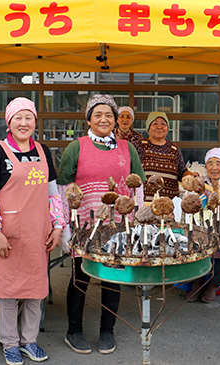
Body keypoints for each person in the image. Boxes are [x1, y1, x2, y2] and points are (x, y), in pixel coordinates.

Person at [57, 94, 146, 355]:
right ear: (88, 119)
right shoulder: (77, 146)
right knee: (80, 278)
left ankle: (108, 331)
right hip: (84, 226)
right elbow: (62, 186)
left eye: (109, 115)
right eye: (98, 115)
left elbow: (137, 185)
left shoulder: (126, 148)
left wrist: (138, 221)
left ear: (116, 120)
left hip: (118, 226)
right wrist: (64, 226)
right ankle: (74, 331)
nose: (104, 119)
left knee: (112, 278)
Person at [0, 97, 63, 365]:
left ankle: (29, 341)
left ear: (35, 122)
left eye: (29, 118)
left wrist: (58, 225)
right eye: (18, 118)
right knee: (9, 293)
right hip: (7, 236)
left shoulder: (43, 151)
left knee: (35, 291)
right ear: (9, 122)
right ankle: (10, 343)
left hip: (38, 234)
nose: (24, 123)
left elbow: (53, 195)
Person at [185, 148, 220, 303]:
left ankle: (214, 285)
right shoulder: (200, 181)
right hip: (202, 225)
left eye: (218, 163)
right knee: (194, 244)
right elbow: (190, 200)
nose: (214, 167)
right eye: (210, 163)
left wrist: (215, 187)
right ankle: (197, 283)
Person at [135, 111, 191, 201]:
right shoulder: (139, 146)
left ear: (167, 128)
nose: (159, 127)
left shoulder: (174, 149)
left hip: (169, 205)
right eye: (155, 123)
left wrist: (190, 175)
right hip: (146, 204)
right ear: (148, 127)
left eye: (163, 124)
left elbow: (182, 172)